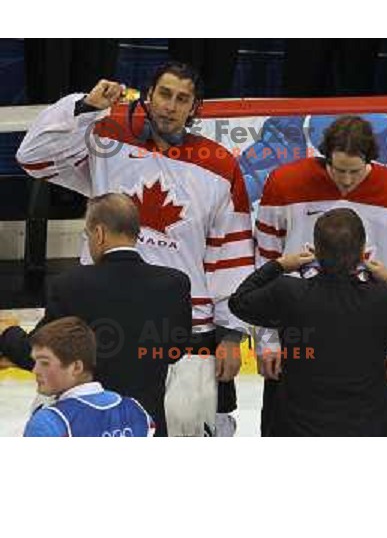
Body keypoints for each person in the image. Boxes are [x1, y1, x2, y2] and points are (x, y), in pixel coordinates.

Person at [16, 61, 254, 436]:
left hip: (184, 332)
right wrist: (85, 107)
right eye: (164, 94)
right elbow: (33, 157)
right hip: (99, 319)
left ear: (195, 107)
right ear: (148, 95)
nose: (170, 106)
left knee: (188, 435)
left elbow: (231, 255)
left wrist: (231, 334)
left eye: (182, 99)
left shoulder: (220, 166)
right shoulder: (108, 139)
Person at [254, 115, 387, 435]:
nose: (347, 181)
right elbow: (265, 262)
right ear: (325, 157)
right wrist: (267, 342)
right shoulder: (284, 184)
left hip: (367, 342)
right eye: (338, 170)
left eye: (355, 171)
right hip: (297, 336)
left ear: (371, 160)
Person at [0, 193, 203, 437]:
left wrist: (8, 333)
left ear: (99, 234)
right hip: (146, 426)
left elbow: (37, 355)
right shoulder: (175, 283)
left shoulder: (69, 285)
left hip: (84, 427)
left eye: (87, 236)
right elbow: (175, 350)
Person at [230, 208, 387, 436]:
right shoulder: (383, 298)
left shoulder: (288, 292)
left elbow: (239, 301)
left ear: (315, 250)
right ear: (364, 252)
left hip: (298, 427)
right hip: (367, 427)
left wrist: (279, 265)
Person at [24, 316, 154, 437]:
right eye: (35, 362)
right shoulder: (136, 411)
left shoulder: (48, 423)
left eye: (45, 363)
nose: (35, 370)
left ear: (76, 367)